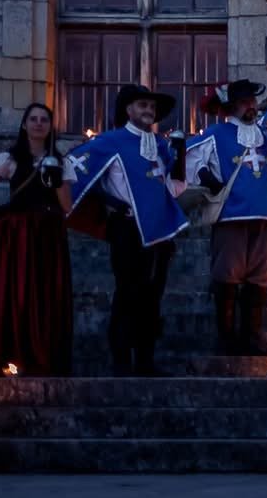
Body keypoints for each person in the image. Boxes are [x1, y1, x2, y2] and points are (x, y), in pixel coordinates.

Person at [65, 83, 188, 376]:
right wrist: (110, 202)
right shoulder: (109, 142)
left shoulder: (160, 144)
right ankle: (121, 359)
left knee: (152, 294)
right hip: (127, 228)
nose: (148, 111)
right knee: (128, 292)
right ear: (128, 110)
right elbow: (72, 170)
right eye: (142, 105)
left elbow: (175, 187)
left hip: (160, 229)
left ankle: (145, 359)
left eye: (152, 107)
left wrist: (180, 154)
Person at [184, 79, 267, 355]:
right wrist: (207, 177)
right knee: (227, 273)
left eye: (253, 101)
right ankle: (226, 337)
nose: (251, 106)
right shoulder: (216, 134)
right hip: (232, 214)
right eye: (245, 102)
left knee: (261, 275)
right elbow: (190, 163)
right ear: (232, 106)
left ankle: (252, 335)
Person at [0, 103, 73, 376]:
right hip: (19, 234)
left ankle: (48, 357)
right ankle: (15, 357)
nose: (39, 124)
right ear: (24, 125)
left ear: (50, 126)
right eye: (34, 119)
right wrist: (0, 213)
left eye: (44, 120)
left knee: (48, 292)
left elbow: (66, 206)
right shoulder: (10, 158)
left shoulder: (61, 160)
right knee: (18, 291)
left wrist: (57, 180)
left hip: (49, 232)